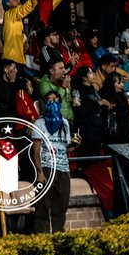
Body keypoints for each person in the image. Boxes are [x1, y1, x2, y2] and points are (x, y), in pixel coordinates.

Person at [32, 90, 72, 234]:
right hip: (47, 168)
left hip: (63, 169)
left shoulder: (65, 123)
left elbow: (67, 148)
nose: (52, 103)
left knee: (61, 207)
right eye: (49, 100)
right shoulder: (39, 123)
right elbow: (36, 151)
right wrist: (40, 172)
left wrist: (77, 144)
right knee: (43, 208)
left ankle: (58, 236)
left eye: (55, 100)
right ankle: (42, 239)